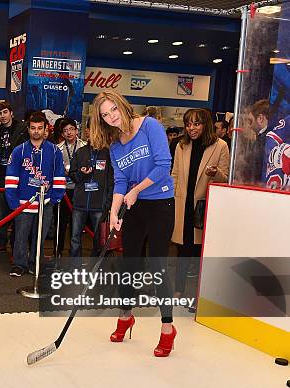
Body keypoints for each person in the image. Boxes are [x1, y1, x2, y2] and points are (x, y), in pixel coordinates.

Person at [90, 90, 176, 357]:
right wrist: (114, 212)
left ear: (122, 105)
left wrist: (137, 190)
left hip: (160, 203)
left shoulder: (149, 125)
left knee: (158, 265)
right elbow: (120, 182)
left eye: (113, 109)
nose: (111, 117)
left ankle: (167, 327)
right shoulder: (116, 146)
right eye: (105, 115)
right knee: (130, 263)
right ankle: (126, 315)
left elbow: (164, 164)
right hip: (133, 206)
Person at [171, 108, 229, 297]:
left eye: (196, 124)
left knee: (200, 253)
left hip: (203, 208)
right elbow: (175, 175)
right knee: (182, 250)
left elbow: (225, 178)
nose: (191, 128)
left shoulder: (220, 146)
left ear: (206, 125)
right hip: (182, 206)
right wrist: (171, 200)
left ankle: (199, 295)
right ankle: (178, 290)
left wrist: (216, 173)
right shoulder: (181, 145)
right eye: (188, 124)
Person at [5, 111, 66, 277]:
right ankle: (19, 264)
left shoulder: (54, 151)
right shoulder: (18, 151)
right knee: (20, 236)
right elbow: (11, 177)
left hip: (45, 203)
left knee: (40, 237)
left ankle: (35, 263)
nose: (36, 131)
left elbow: (59, 176)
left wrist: (54, 198)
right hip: (23, 203)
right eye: (33, 128)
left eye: (40, 128)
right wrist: (13, 201)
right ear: (28, 129)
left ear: (46, 129)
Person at [0, 102, 29, 253]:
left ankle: (17, 244)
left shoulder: (22, 129)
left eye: (5, 112)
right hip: (1, 176)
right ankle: (1, 242)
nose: (2, 116)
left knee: (17, 212)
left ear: (11, 113)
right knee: (1, 212)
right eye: (0, 113)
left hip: (19, 177)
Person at [68, 132, 113, 257]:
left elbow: (111, 180)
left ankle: (96, 268)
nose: (94, 135)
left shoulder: (108, 154)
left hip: (99, 204)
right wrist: (82, 174)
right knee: (75, 238)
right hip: (80, 203)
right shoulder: (80, 152)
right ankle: (74, 267)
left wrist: (109, 202)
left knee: (99, 239)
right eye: (91, 131)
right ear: (87, 133)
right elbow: (73, 175)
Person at [56, 118, 87, 257]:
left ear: (76, 130)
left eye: (71, 129)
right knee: (61, 222)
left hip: (79, 189)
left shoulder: (84, 147)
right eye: (65, 130)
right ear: (62, 133)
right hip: (63, 190)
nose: (69, 133)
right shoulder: (58, 148)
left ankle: (75, 253)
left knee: (77, 223)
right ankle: (58, 250)